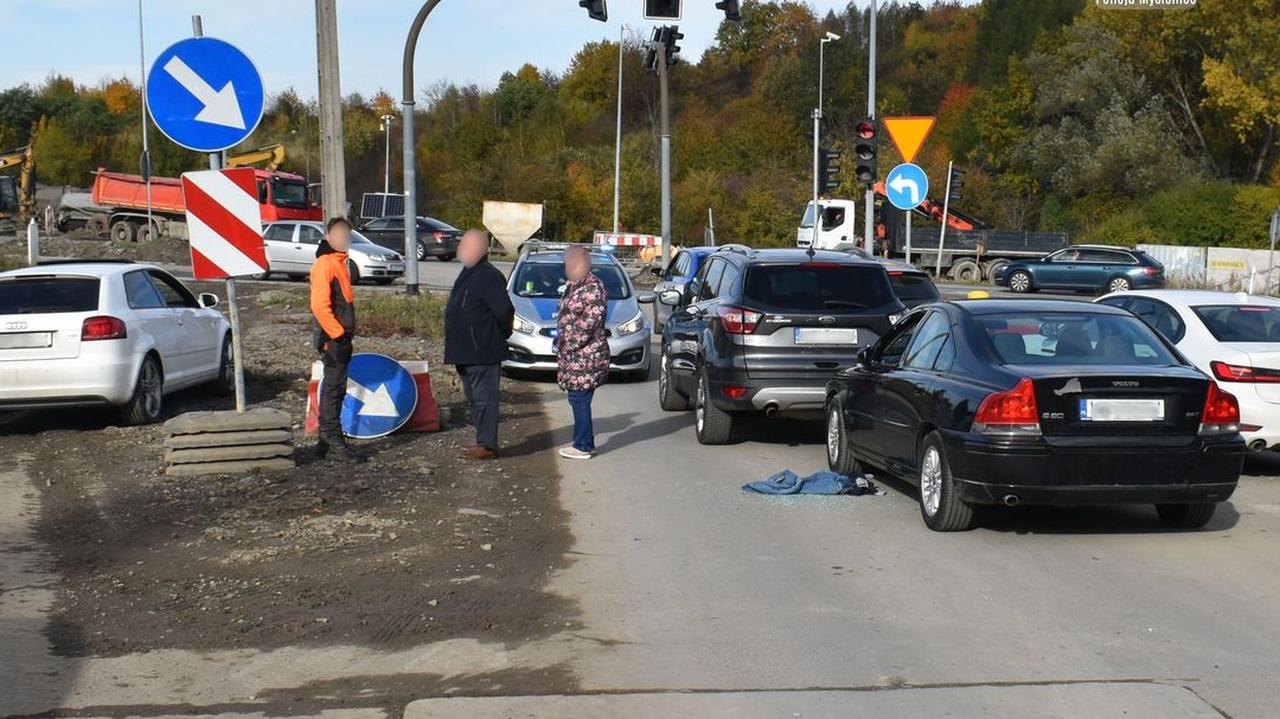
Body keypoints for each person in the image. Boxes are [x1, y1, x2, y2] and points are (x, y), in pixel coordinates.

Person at [445, 229, 515, 460]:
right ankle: (482, 440)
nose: (460, 249)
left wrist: (499, 334)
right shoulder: (468, 272)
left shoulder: (488, 275)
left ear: (479, 249)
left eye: (465, 245)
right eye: (461, 245)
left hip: (483, 350)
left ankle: (488, 445)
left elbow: (504, 310)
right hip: (463, 350)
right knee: (474, 398)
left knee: (485, 399)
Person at [310, 216, 365, 463]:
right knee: (334, 389)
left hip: (337, 337)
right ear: (328, 237)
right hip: (333, 338)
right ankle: (333, 442)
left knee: (334, 388)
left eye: (347, 235)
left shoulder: (338, 261)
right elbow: (319, 306)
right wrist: (338, 334)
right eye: (340, 234)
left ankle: (325, 441)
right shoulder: (325, 264)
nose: (344, 239)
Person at [555, 245, 609, 460]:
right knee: (577, 398)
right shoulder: (574, 286)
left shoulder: (593, 288)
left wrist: (565, 343)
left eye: (571, 263)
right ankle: (584, 442)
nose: (567, 268)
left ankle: (583, 445)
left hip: (587, 357)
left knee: (579, 399)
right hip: (575, 357)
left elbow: (587, 326)